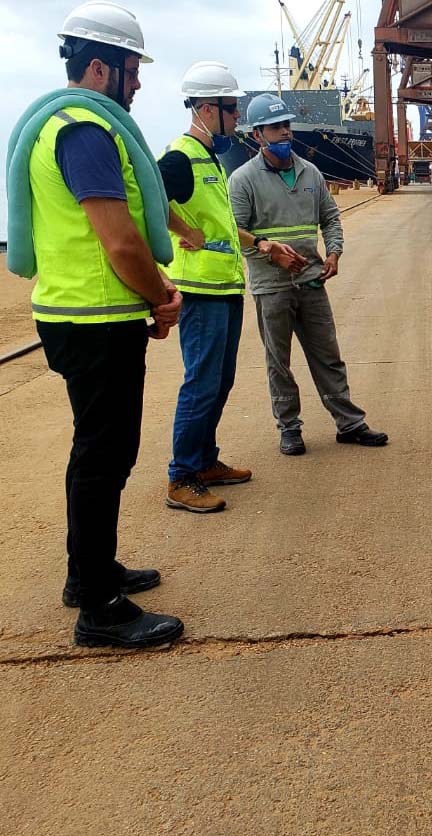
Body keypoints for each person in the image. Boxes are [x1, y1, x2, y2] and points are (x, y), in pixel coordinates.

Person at [6, 2, 184, 647]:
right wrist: (161, 294)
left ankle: (90, 574)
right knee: (106, 457)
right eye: (134, 71)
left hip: (79, 313)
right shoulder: (86, 131)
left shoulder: (58, 123)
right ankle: (100, 610)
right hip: (96, 318)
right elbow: (120, 243)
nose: (138, 84)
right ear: (103, 67)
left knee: (96, 450)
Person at [158, 62, 303, 512]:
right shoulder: (179, 156)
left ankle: (204, 460)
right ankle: (181, 477)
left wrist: (261, 243)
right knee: (201, 382)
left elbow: (222, 225)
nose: (238, 118)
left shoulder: (210, 160)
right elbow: (144, 201)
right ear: (206, 108)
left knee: (220, 380)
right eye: (231, 108)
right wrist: (182, 227)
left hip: (224, 286)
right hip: (200, 290)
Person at [228, 93, 388, 456]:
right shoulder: (243, 180)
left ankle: (349, 423)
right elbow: (233, 229)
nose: (285, 133)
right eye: (275, 127)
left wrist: (333, 252)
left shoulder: (310, 172)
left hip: (311, 282)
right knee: (278, 362)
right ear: (258, 135)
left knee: (327, 355)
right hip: (272, 287)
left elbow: (330, 217)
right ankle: (289, 427)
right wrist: (269, 250)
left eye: (286, 125)